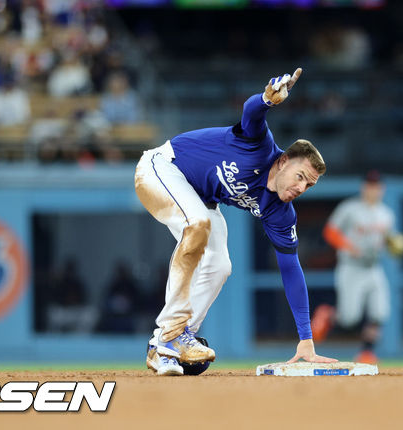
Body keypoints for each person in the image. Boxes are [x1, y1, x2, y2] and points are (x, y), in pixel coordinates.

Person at [134, 68, 337, 376]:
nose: (300, 188)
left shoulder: (280, 211)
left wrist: (306, 339)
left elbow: (291, 269)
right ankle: (171, 333)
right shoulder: (260, 147)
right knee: (198, 223)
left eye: (308, 185)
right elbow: (252, 113)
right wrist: (267, 99)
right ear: (283, 161)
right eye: (299, 177)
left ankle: (169, 342)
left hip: (198, 198)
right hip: (160, 167)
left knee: (219, 265)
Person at [311, 170, 403, 364]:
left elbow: (386, 240)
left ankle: (367, 352)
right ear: (364, 188)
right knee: (349, 319)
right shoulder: (350, 208)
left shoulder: (386, 213)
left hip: (373, 267)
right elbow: (330, 231)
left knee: (380, 311)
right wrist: (349, 247)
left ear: (382, 189)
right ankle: (328, 315)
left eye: (377, 186)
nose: (374, 189)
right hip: (351, 267)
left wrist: (393, 244)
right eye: (370, 185)